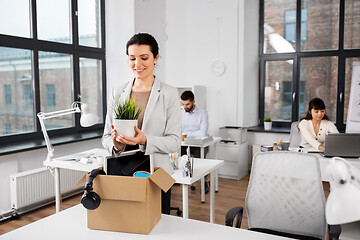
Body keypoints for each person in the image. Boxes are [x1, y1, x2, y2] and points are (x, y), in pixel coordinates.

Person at [102, 33, 181, 214]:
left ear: (156, 58)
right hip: (122, 173)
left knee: (158, 227)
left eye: (144, 58)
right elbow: (106, 137)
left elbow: (175, 142)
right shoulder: (118, 91)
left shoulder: (169, 93)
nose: (137, 64)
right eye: (132, 58)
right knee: (126, 226)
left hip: (156, 173)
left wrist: (145, 140)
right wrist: (116, 144)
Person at [180, 90, 209, 156]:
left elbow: (202, 133)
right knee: (178, 157)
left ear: (193, 102)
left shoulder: (202, 113)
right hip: (184, 143)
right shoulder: (180, 113)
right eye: (183, 104)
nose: (185, 107)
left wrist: (185, 135)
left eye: (187, 104)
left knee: (198, 160)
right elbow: (177, 131)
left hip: (198, 143)